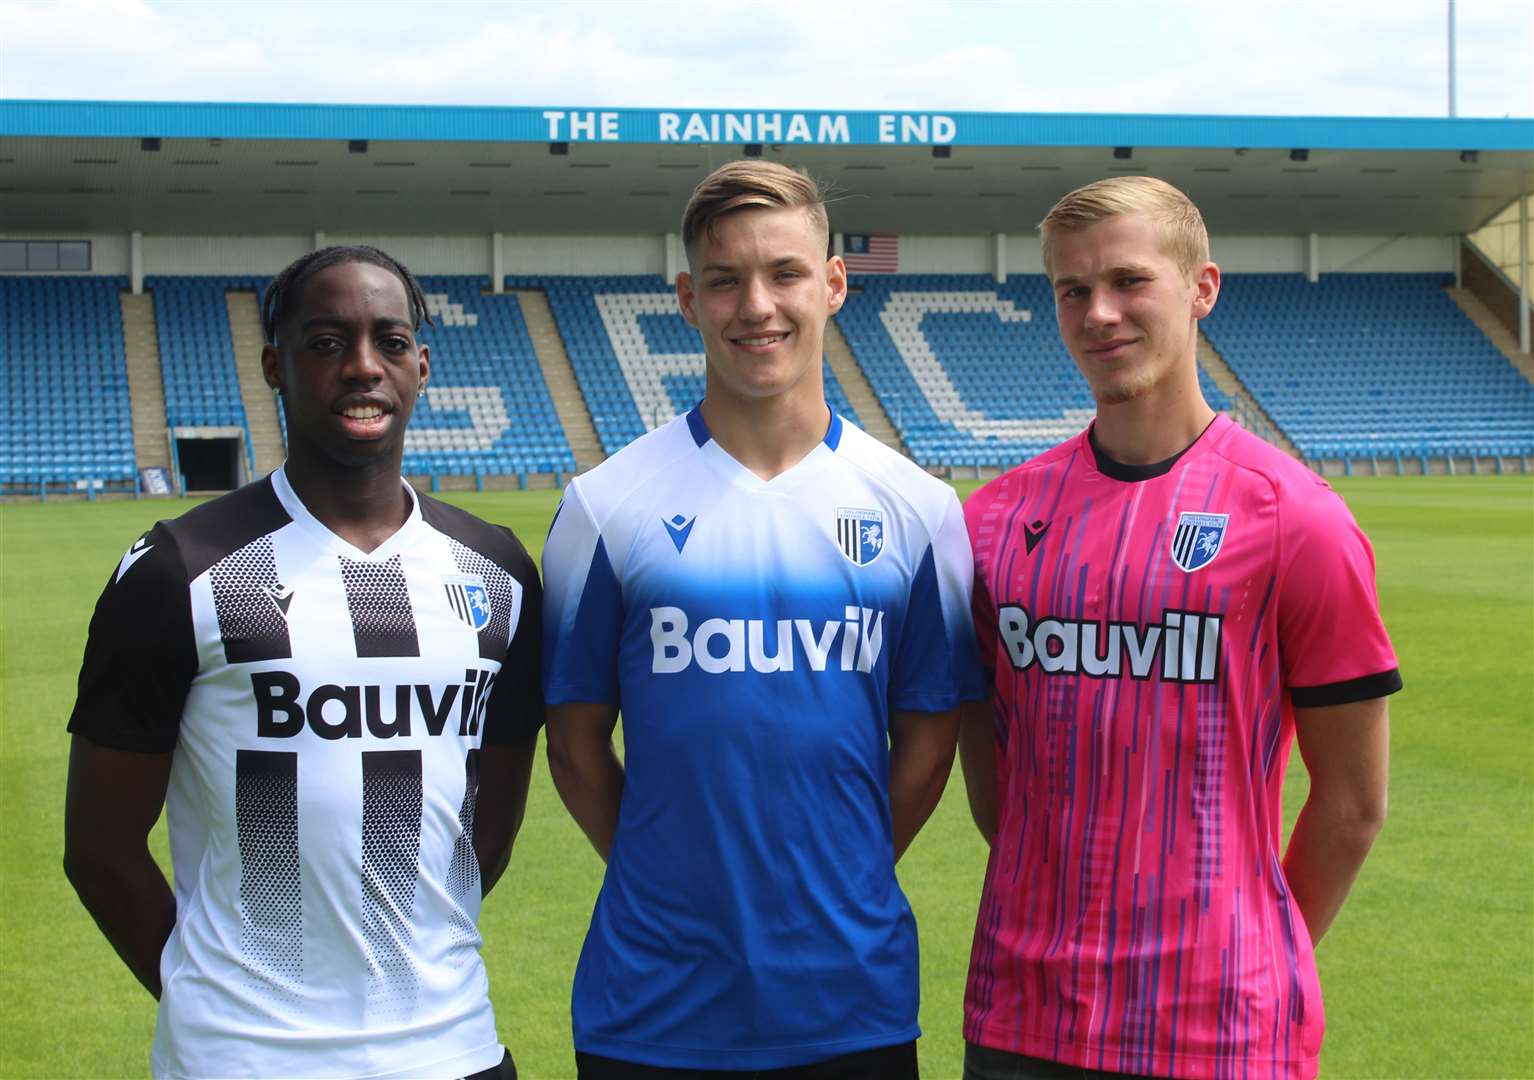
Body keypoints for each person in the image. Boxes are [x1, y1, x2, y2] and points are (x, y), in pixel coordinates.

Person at [541, 160, 984, 1079]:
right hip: (650, 1005)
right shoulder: (604, 506)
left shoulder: (920, 510)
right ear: (687, 299)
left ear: (832, 283)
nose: (757, 305)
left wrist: (844, 873)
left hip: (849, 999)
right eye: (723, 280)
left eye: (784, 273)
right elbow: (575, 745)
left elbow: (930, 741)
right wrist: (663, 874)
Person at [958, 176, 1401, 1080]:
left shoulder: (1296, 521)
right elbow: (995, 779)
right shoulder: (996, 521)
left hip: (1216, 1028)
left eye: (1129, 281)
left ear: (1202, 288)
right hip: (1021, 1020)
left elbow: (1353, 804)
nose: (1099, 313)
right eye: (1072, 290)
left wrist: (1255, 950)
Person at [63, 245, 540, 1080]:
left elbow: (486, 831)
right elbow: (98, 846)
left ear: (421, 366)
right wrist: (208, 998)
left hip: (455, 1048)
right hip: (244, 1060)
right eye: (326, 343)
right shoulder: (183, 567)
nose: (362, 367)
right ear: (273, 365)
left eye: (389, 341)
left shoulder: (496, 571)